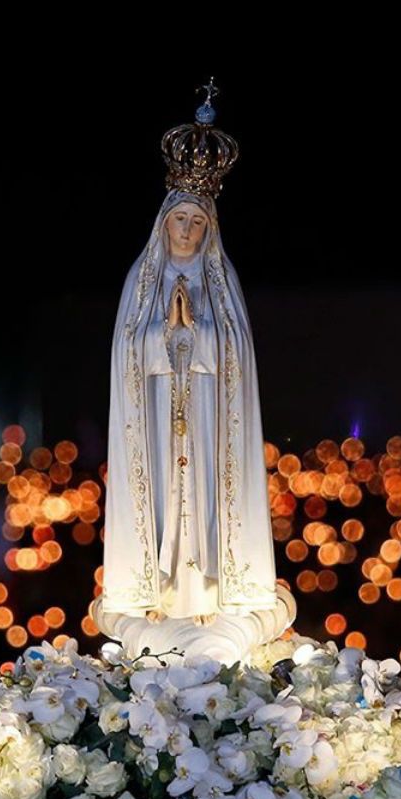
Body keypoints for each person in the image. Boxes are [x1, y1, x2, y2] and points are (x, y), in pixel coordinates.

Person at [101, 84, 279, 627]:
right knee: (161, 491)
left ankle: (208, 592)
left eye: (197, 222)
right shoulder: (143, 278)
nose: (187, 230)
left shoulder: (220, 281)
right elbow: (127, 348)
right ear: (164, 223)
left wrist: (196, 332)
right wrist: (163, 331)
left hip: (206, 416)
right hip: (156, 413)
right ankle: (157, 588)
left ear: (209, 229)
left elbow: (236, 354)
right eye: (180, 220)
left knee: (203, 495)